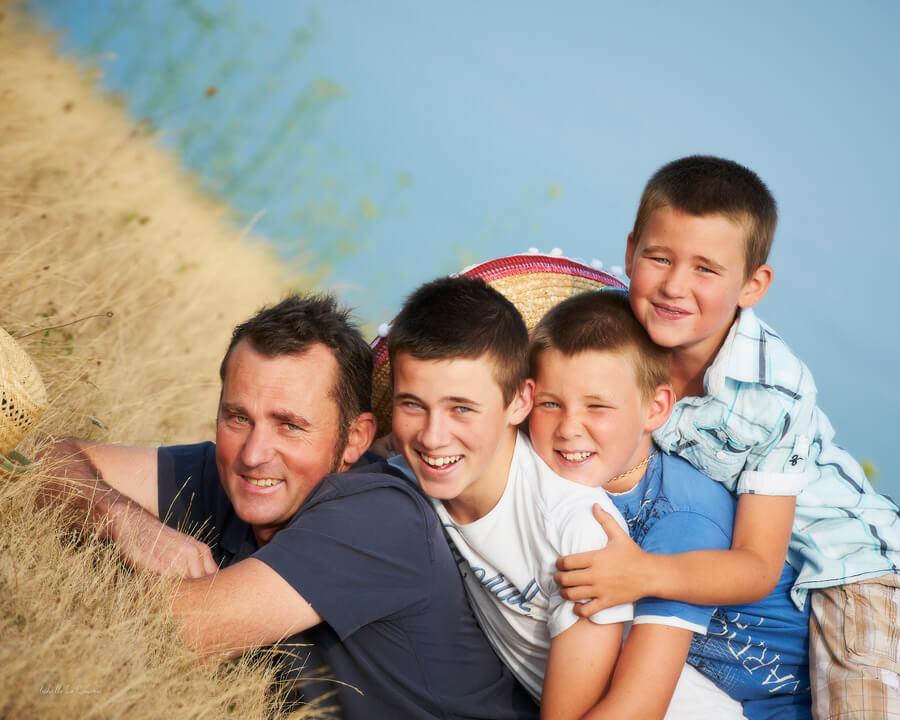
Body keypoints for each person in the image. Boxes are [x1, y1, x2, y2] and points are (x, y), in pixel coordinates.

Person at [40, 293, 539, 720]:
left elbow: (176, 630)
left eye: (290, 426)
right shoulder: (239, 472)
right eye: (238, 417)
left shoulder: (380, 517)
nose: (255, 453)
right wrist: (120, 518)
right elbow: (41, 459)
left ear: (355, 439)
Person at [556, 155, 900, 719]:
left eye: (706, 270)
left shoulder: (773, 391)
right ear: (630, 252)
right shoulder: (612, 337)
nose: (674, 286)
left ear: (753, 285)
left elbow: (757, 565)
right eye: (659, 257)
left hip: (852, 566)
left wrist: (643, 573)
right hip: (747, 567)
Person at [529, 288, 810, 719]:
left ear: (655, 408)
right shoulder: (564, 468)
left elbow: (638, 707)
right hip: (701, 681)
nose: (568, 428)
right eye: (550, 403)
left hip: (782, 701)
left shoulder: (682, 516)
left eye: (597, 407)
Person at [386, 274, 634, 719]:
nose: (432, 436)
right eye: (412, 404)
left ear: (520, 401)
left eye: (461, 408)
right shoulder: (408, 473)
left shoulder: (577, 530)